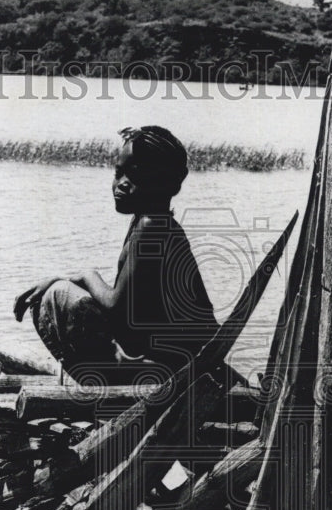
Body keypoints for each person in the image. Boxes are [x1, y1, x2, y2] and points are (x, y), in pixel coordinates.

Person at [13, 126, 218, 382]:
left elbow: (117, 307)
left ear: (163, 182)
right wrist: (61, 277)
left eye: (135, 176)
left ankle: (105, 390)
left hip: (169, 370)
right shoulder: (153, 222)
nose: (121, 184)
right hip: (172, 362)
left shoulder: (151, 226)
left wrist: (88, 275)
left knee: (58, 296)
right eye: (118, 173)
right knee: (59, 289)